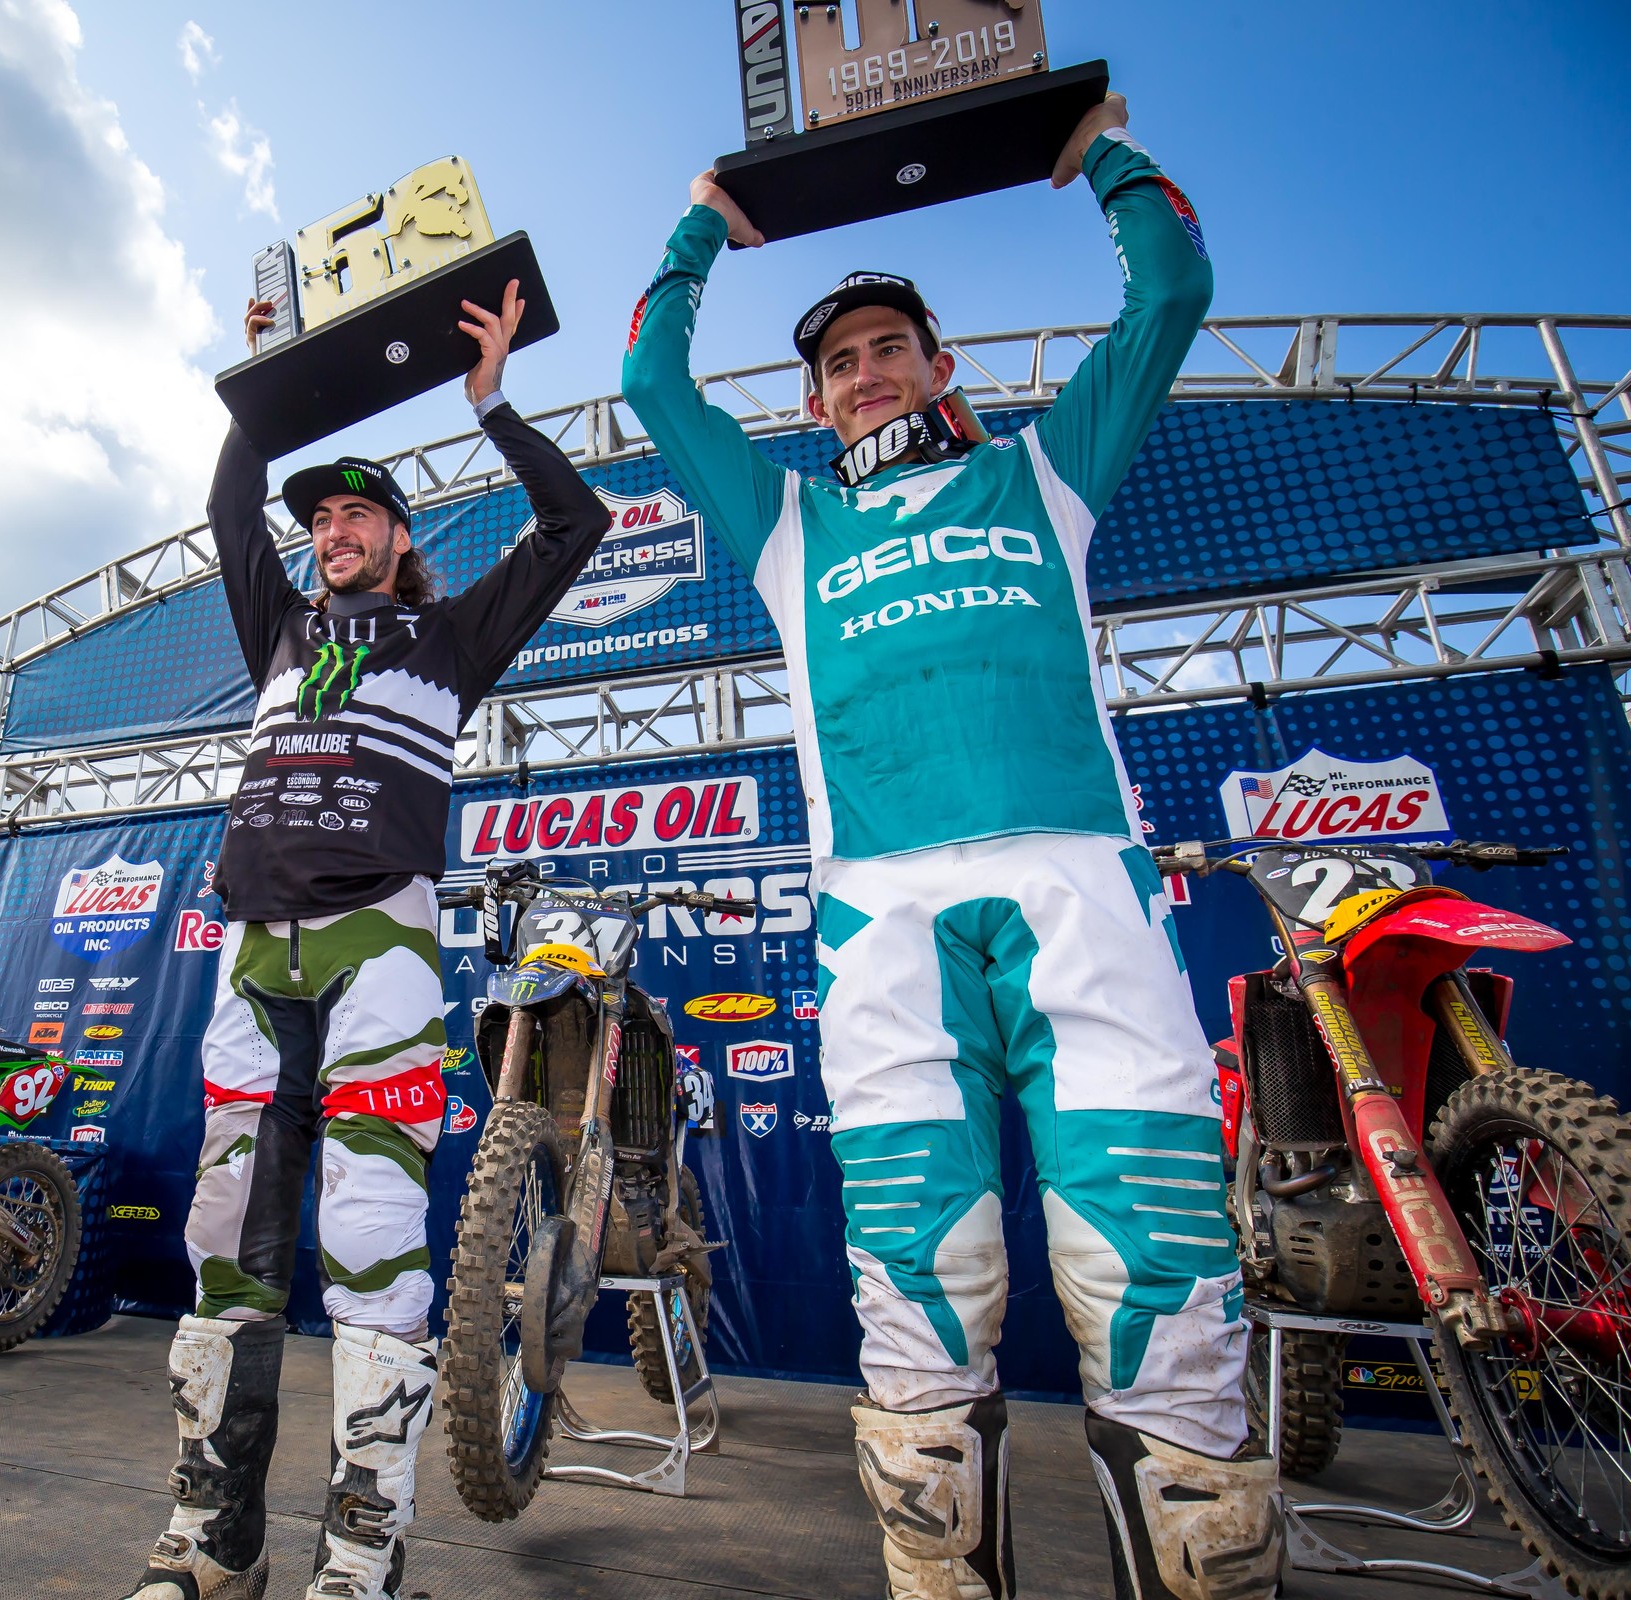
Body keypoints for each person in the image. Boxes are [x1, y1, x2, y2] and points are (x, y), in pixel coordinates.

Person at [621, 97, 1281, 1598]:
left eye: (886, 349)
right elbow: (650, 380)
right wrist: (701, 228)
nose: (864, 374)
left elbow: (1171, 290)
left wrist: (1095, 153)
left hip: (1081, 890)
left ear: (939, 366)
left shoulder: (1040, 479)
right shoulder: (790, 525)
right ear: (817, 398)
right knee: (924, 1299)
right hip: (884, 921)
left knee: (1157, 1281)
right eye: (838, 361)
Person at [128, 283, 607, 1600]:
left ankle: (364, 1557)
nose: (332, 532)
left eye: (357, 516)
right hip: (253, 947)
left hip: (379, 937)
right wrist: (265, 385)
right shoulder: (277, 624)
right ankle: (209, 1546)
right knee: (226, 1241)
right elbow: (236, 504)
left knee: (379, 1239)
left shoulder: (450, 635)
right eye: (322, 518)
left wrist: (493, 403)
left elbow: (576, 523)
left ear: (401, 538)